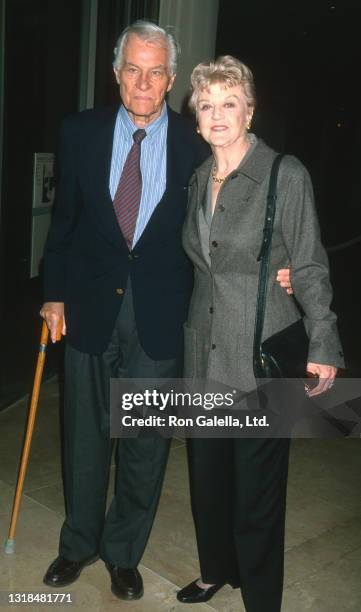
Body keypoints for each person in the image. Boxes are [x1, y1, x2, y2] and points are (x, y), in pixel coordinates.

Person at [39, 22, 292, 601]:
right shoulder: (78, 133)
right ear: (116, 73)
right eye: (133, 69)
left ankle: (123, 553)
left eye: (157, 71)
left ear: (172, 79)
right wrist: (53, 294)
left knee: (145, 443)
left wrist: (283, 266)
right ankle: (77, 543)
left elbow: (243, 205)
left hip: (160, 318)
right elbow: (64, 225)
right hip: (87, 309)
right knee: (83, 436)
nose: (144, 82)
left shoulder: (196, 141)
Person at [176, 56, 344, 611]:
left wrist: (323, 343)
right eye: (207, 105)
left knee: (257, 495)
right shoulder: (199, 178)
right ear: (196, 117)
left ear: (250, 110)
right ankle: (216, 569)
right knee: (209, 482)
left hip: (259, 355)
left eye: (229, 103)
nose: (218, 114)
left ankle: (262, 600)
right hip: (204, 353)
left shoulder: (283, 173)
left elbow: (311, 263)